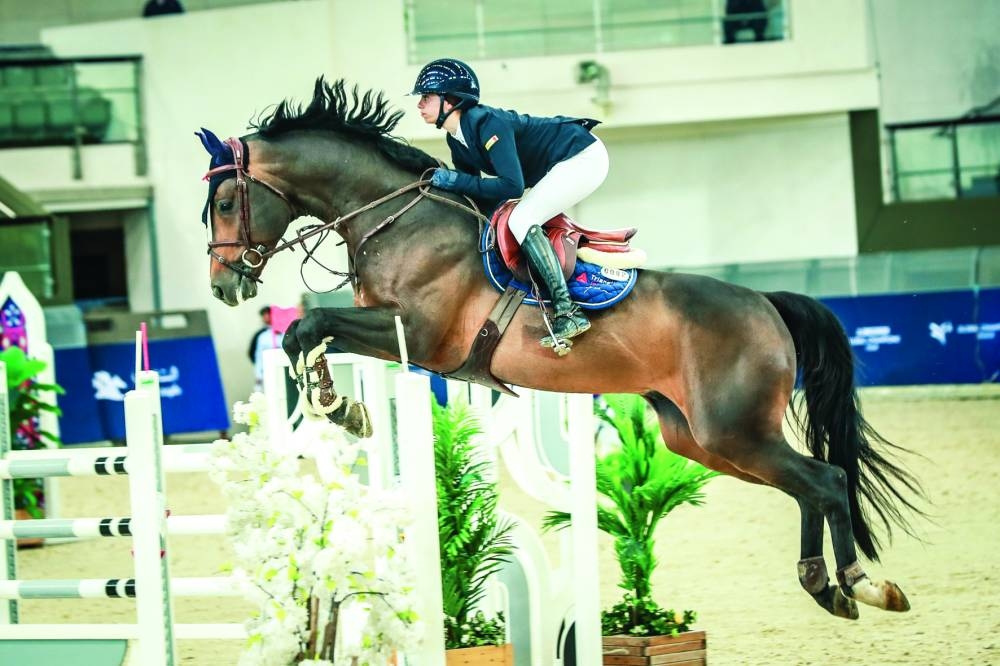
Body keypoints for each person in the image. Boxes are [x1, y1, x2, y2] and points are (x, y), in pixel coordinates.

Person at [412, 58, 608, 350]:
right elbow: (477, 193)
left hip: (581, 156)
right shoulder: (457, 139)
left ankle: (568, 311)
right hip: (561, 163)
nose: (419, 105)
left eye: (426, 97)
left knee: (521, 218)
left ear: (450, 100)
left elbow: (510, 186)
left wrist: (453, 181)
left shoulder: (488, 123)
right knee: (514, 218)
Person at [248, 305, 282, 390]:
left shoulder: (284, 333)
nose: (266, 318)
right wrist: (259, 375)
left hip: (283, 369)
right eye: (264, 316)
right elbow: (258, 357)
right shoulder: (262, 336)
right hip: (269, 370)